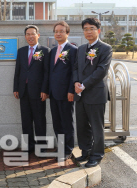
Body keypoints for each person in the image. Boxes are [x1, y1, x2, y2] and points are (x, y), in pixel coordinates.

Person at [73, 18, 112, 168]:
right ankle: (85, 151)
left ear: (98, 30)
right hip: (80, 93)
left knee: (96, 126)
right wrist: (76, 83)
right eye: (85, 29)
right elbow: (75, 67)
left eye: (91, 28)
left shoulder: (105, 48)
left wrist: (83, 85)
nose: (88, 32)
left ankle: (97, 155)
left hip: (95, 93)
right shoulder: (81, 49)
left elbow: (101, 70)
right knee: (82, 125)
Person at [13, 25, 50, 153]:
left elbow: (47, 73)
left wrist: (45, 90)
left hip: (39, 92)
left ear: (38, 35)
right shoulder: (21, 51)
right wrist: (16, 87)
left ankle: (41, 146)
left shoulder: (45, 51)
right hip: (23, 91)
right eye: (28, 34)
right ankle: (28, 145)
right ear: (25, 36)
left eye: (32, 34)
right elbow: (18, 71)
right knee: (26, 120)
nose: (30, 36)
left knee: (40, 120)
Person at [49, 21, 77, 160]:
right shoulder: (53, 50)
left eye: (61, 31)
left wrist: (71, 90)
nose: (58, 34)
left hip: (66, 93)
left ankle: (68, 150)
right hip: (54, 93)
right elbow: (51, 72)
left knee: (66, 122)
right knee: (57, 123)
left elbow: (74, 72)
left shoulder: (73, 50)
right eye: (56, 31)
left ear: (67, 33)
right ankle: (61, 148)